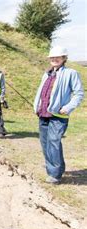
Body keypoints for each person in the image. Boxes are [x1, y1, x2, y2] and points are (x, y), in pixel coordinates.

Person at [33, 46, 84, 184]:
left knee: (53, 142)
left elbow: (79, 93)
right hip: (43, 114)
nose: (54, 59)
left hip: (58, 116)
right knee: (45, 143)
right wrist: (36, 106)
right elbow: (42, 92)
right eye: (52, 57)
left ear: (64, 59)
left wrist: (68, 107)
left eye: (58, 57)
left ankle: (55, 174)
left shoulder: (71, 73)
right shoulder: (47, 73)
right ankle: (54, 167)